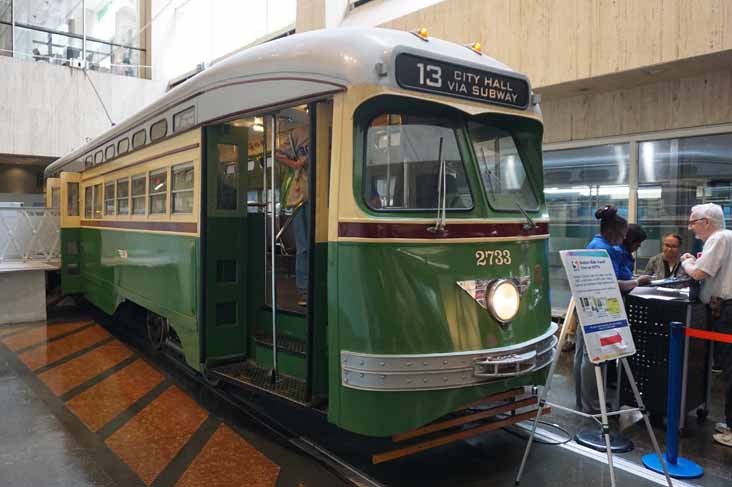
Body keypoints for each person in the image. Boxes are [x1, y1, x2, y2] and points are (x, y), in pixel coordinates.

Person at [574, 205, 651, 413]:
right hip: (596, 308)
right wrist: (638, 282)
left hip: (586, 305)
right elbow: (612, 284)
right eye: (623, 233)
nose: (624, 238)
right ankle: (591, 404)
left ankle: (583, 400)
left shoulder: (596, 244)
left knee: (583, 354)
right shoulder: (604, 249)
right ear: (612, 231)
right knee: (592, 358)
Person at [679, 203, 732, 447]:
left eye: (693, 222)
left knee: (730, 368)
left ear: (706, 222)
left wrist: (686, 261)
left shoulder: (718, 238)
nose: (691, 228)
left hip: (726, 311)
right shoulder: (727, 236)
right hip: (725, 309)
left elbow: (699, 274)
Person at [275, 125, 310, 307]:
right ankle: (304, 289)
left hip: (325, 194)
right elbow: (278, 154)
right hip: (303, 196)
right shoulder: (297, 133)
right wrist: (296, 164)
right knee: (304, 244)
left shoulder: (332, 128)